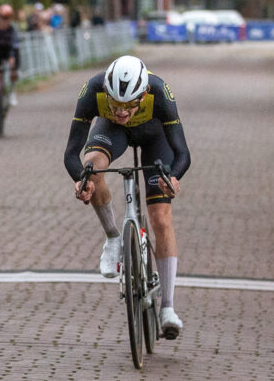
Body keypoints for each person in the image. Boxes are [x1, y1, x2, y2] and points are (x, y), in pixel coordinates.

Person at [64, 55, 191, 340]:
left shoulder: (160, 92)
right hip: (113, 134)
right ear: (106, 93)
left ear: (143, 94)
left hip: (155, 137)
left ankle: (167, 308)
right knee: (91, 166)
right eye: (114, 104)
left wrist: (173, 179)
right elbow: (71, 152)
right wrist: (81, 181)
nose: (121, 112)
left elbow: (183, 153)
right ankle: (112, 238)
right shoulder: (91, 91)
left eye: (128, 105)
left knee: (160, 216)